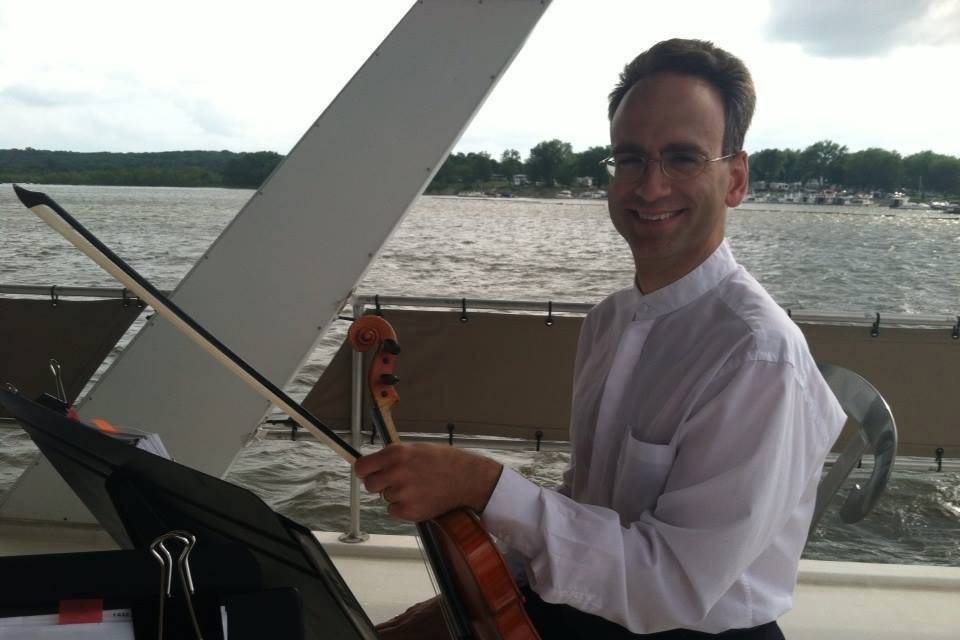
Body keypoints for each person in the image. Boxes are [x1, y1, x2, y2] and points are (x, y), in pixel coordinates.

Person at [355, 38, 846, 639]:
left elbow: (674, 586)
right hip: (596, 608)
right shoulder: (610, 321)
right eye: (631, 158)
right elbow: (593, 504)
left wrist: (482, 484)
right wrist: (467, 603)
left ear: (736, 179)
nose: (650, 187)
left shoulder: (757, 355)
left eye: (684, 158)